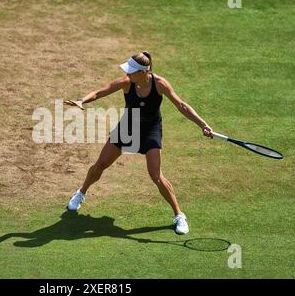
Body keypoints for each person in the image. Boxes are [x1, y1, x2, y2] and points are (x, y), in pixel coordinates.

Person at [63, 52, 213, 234]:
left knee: (156, 175)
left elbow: (181, 105)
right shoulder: (127, 82)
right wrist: (82, 100)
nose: (128, 74)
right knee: (101, 164)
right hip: (128, 127)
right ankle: (81, 192)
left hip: (151, 130)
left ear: (144, 72)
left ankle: (179, 215)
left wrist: (202, 125)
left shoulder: (160, 84)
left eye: (132, 71)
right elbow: (102, 91)